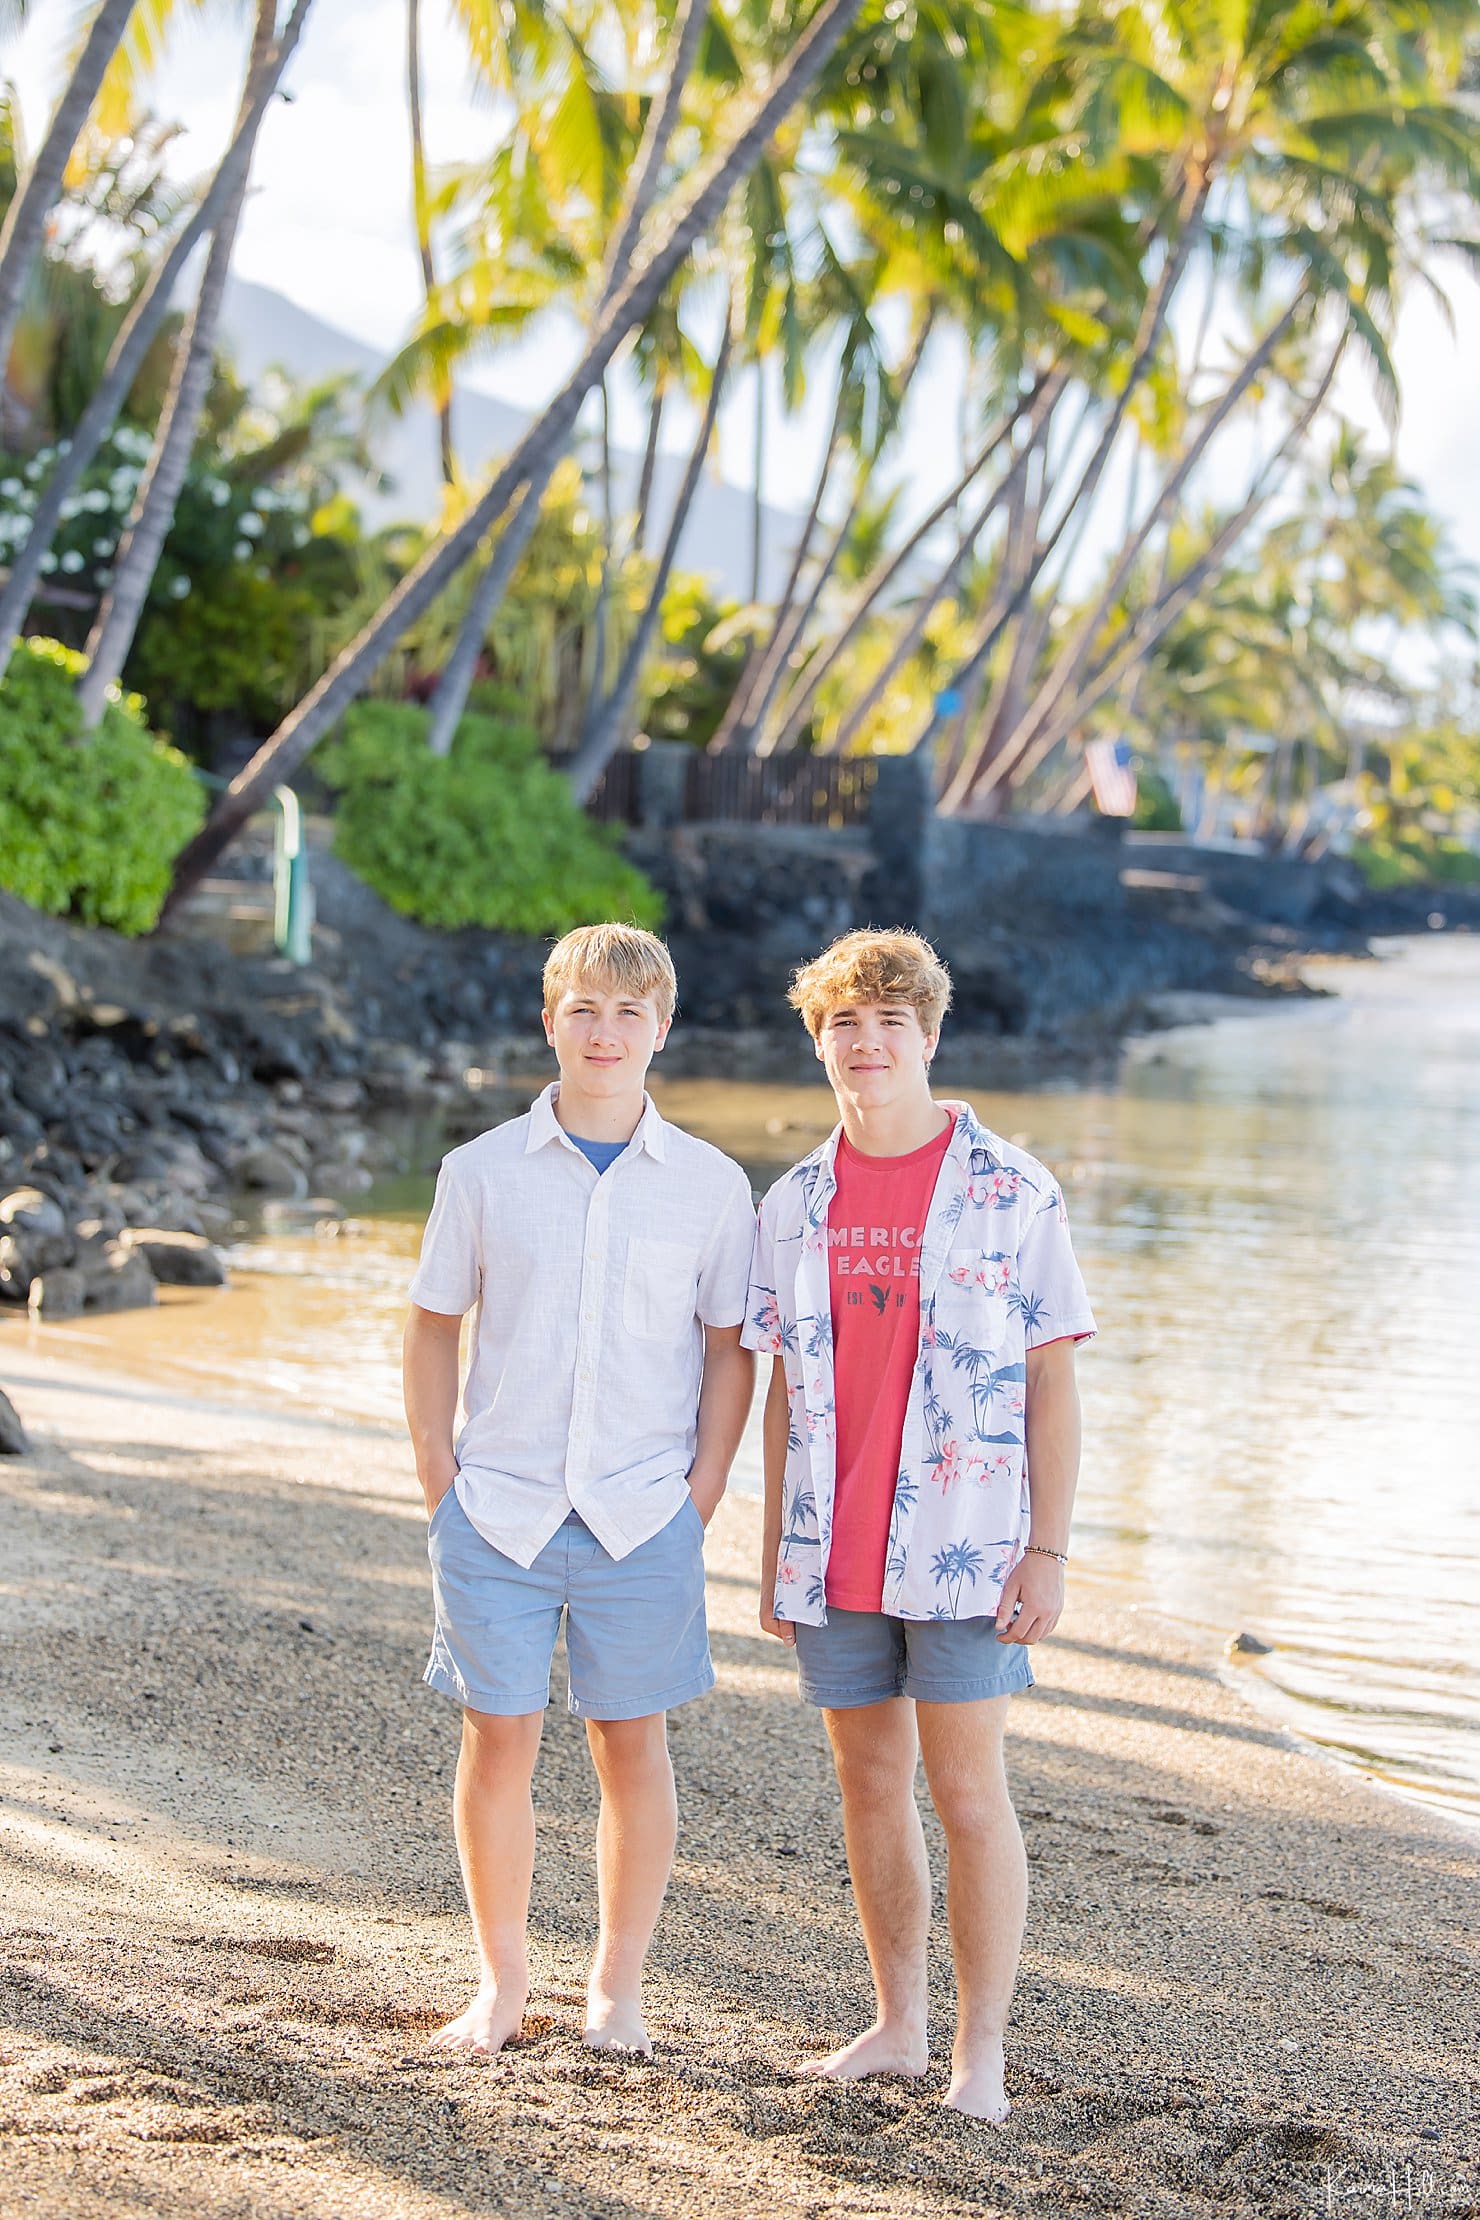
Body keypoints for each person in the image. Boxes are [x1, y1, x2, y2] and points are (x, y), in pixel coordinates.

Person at [744, 927, 1095, 2123]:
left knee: (967, 1790)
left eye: (890, 1022)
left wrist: (1047, 1548)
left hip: (967, 1547)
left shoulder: (1011, 1188)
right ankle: (896, 2026)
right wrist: (771, 1557)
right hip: (833, 1550)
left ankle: (977, 2058)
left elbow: (1053, 1379)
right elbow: (785, 1391)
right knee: (869, 1786)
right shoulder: (793, 1202)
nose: (867, 1041)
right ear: (820, 1041)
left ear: (929, 1037)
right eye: (845, 1022)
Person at [404, 921, 757, 2059]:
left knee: (630, 1745)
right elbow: (431, 1326)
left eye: (629, 1013)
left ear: (664, 1027)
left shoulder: (709, 1186)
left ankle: (616, 1991)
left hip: (641, 1511)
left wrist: (701, 1490)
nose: (605, 1033)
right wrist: (437, 1480)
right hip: (495, 1507)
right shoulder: (481, 1172)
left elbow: (726, 1349)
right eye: (583, 1010)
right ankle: (500, 1986)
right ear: (548, 1019)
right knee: (495, 1742)